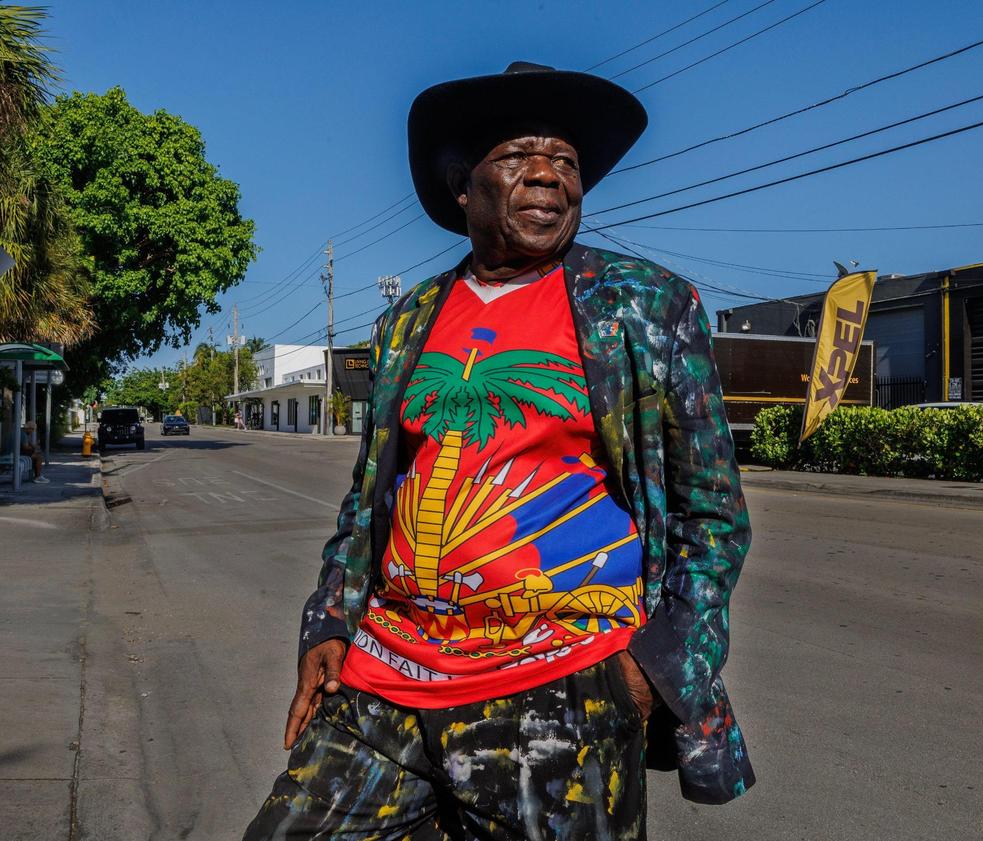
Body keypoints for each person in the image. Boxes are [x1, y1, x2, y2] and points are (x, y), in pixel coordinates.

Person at [245, 62, 753, 841]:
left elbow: (712, 514)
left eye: (566, 161)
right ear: (462, 185)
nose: (549, 174)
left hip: (560, 691)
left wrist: (653, 668)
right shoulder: (408, 321)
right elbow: (370, 495)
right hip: (385, 677)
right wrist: (328, 621)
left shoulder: (643, 307)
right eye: (520, 155)